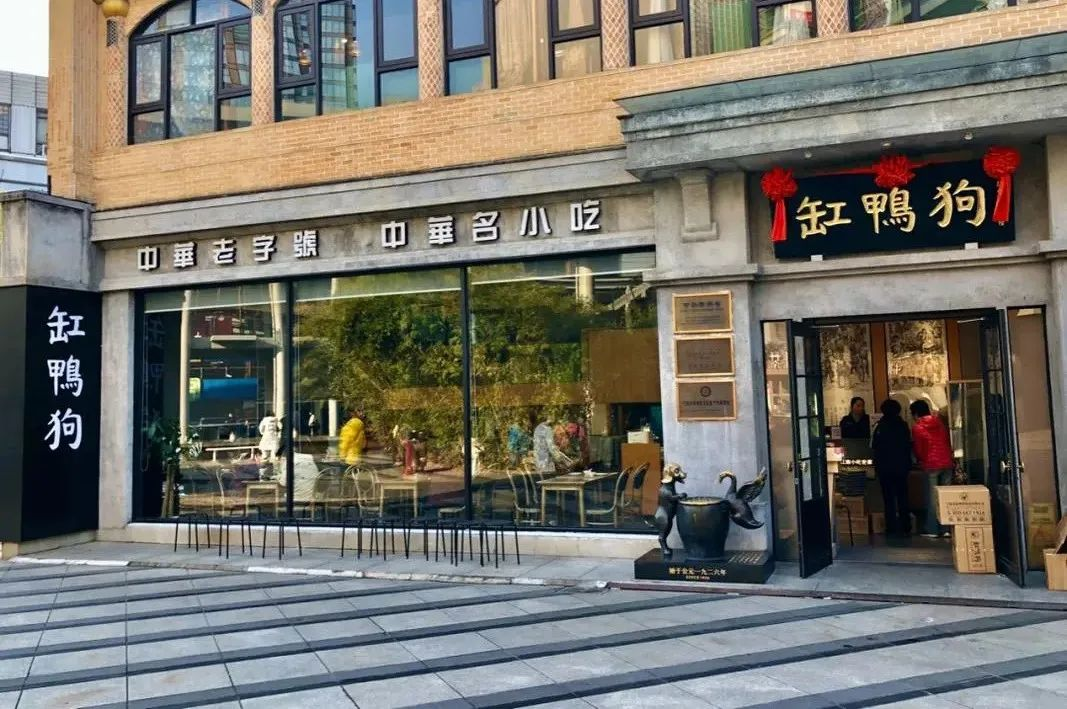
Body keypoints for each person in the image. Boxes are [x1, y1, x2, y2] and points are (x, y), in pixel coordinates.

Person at [910, 399, 954, 537]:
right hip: (947, 461)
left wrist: (920, 461)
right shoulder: (939, 422)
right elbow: (946, 440)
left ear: (915, 414)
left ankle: (932, 529)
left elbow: (919, 449)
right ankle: (946, 529)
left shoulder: (917, 427)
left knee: (932, 498)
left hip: (931, 463)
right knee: (945, 496)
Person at [871, 399, 912, 537]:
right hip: (901, 467)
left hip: (885, 468)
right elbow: (908, 445)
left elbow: (874, 446)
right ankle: (905, 525)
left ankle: (891, 526)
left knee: (888, 499)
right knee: (903, 496)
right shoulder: (903, 425)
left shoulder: (879, 426)